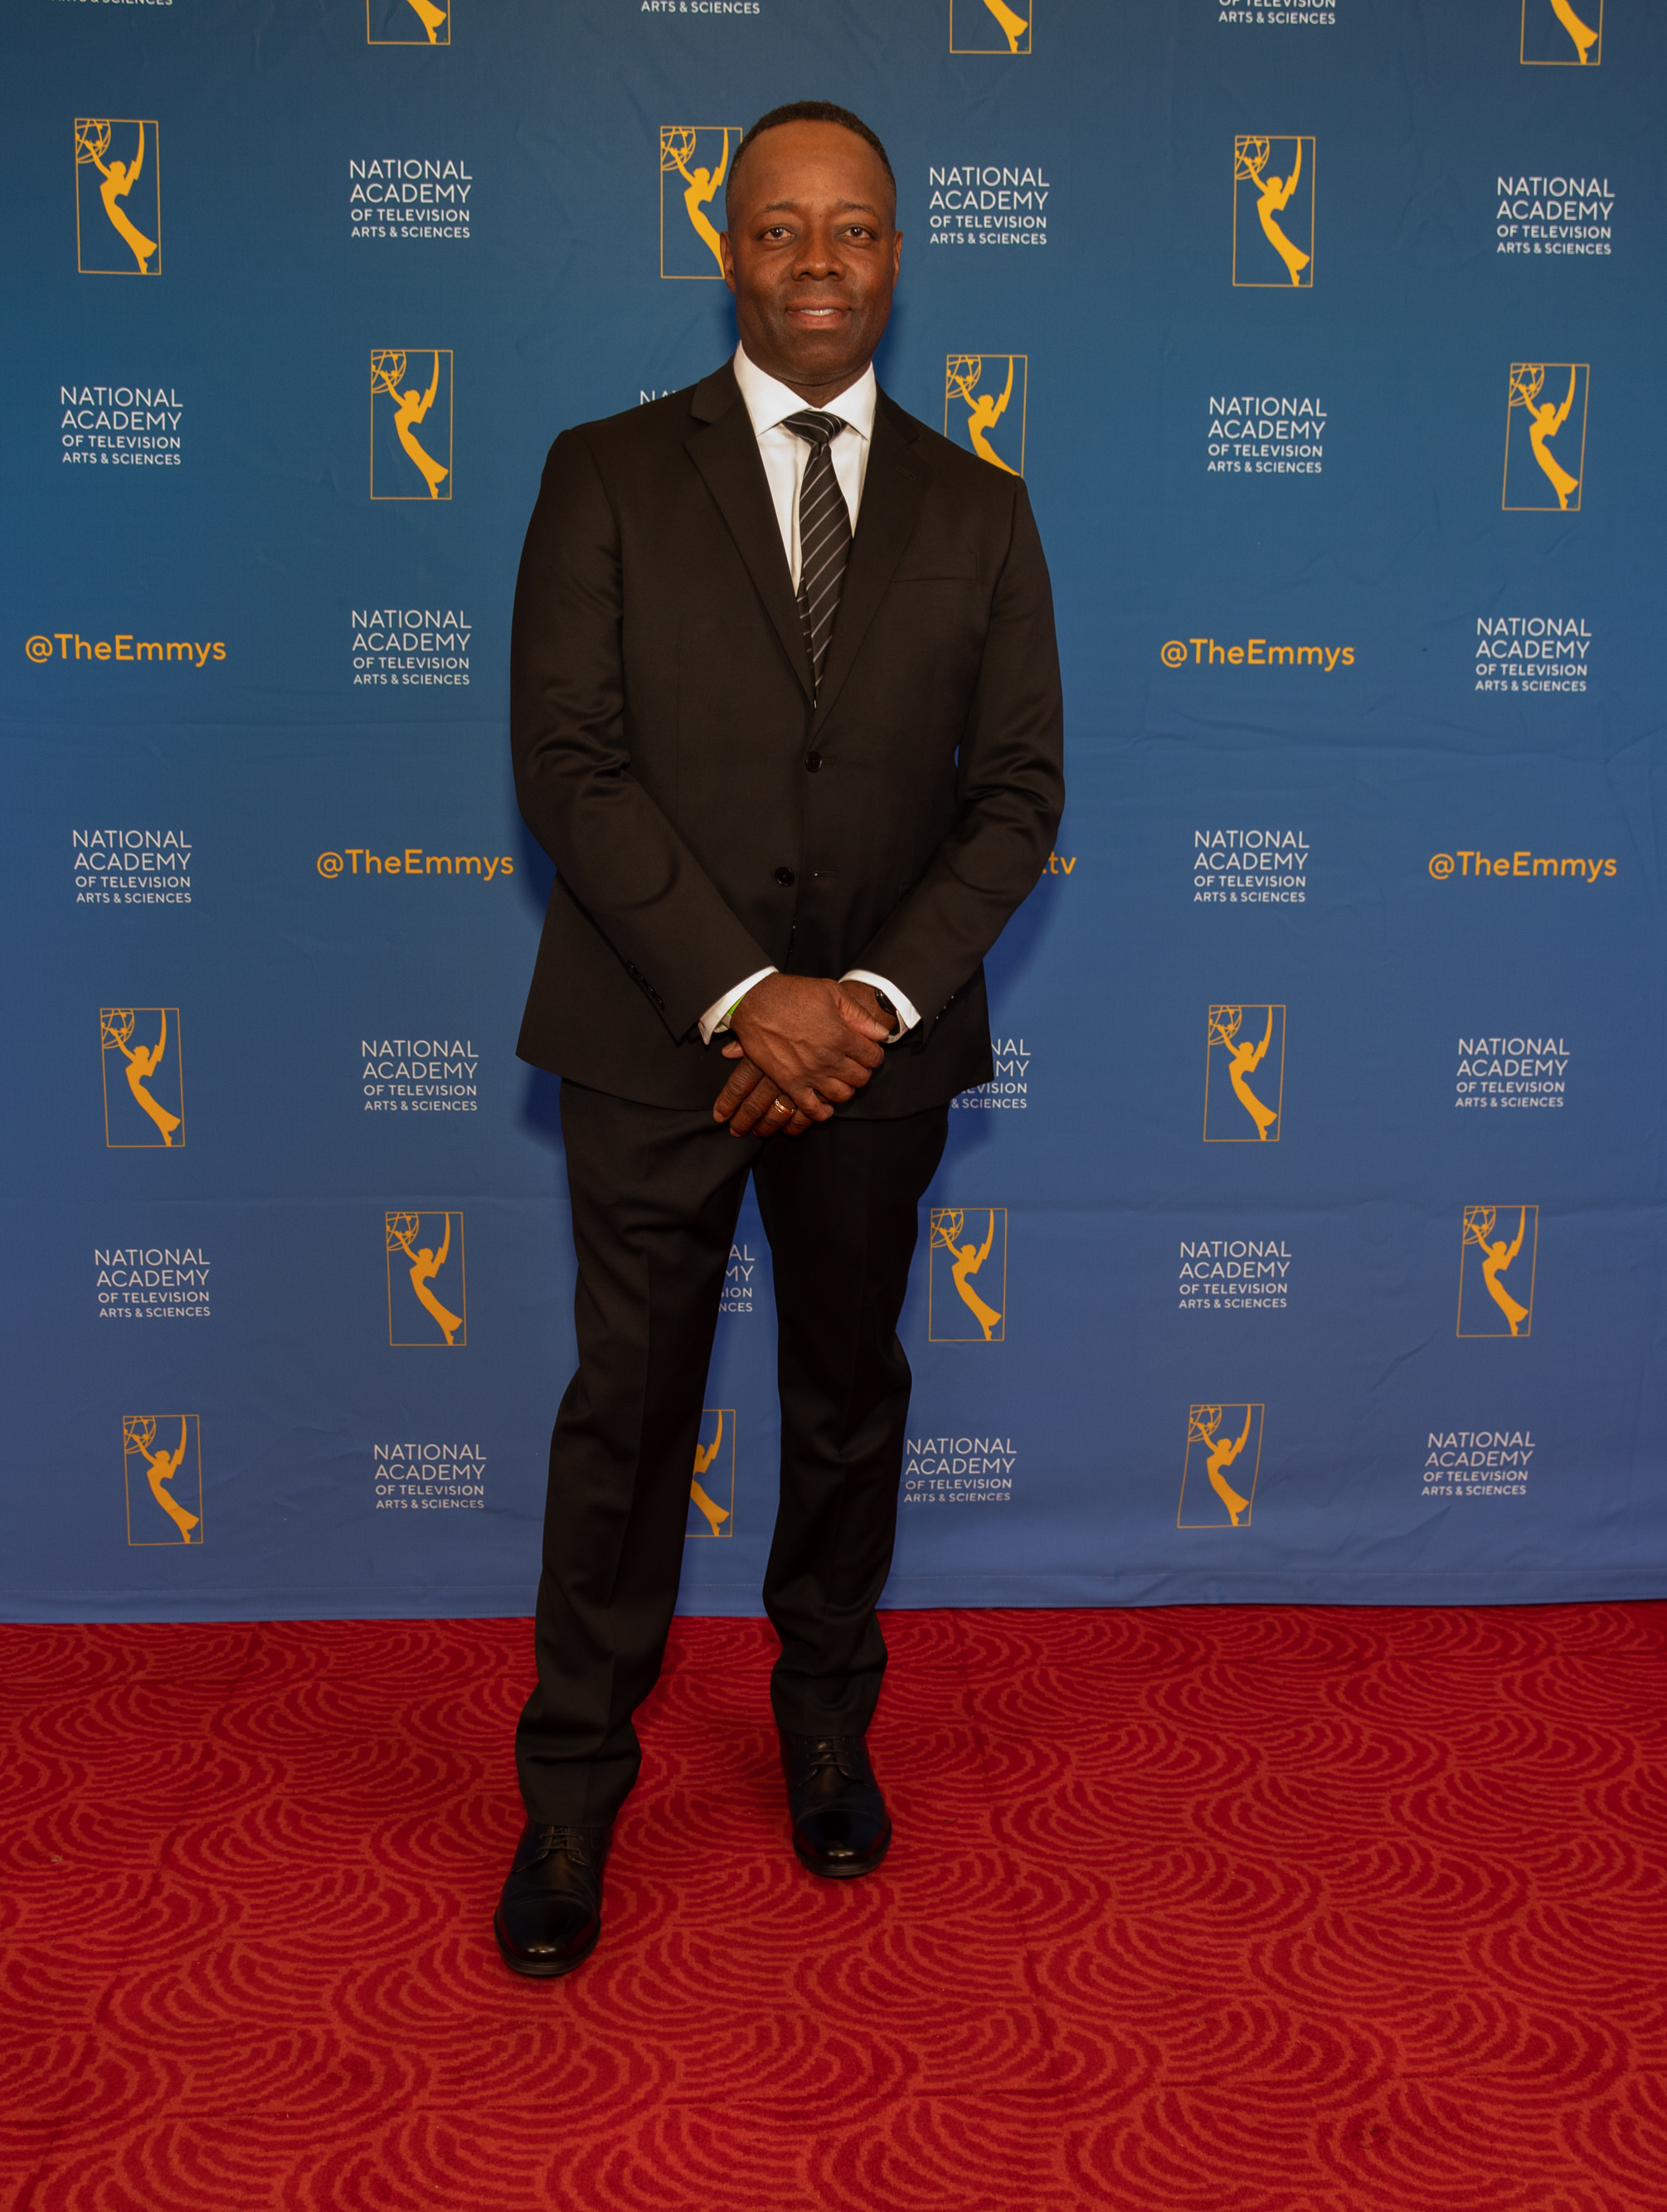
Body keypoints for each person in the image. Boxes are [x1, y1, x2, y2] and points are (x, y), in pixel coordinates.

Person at [495, 99, 1065, 1979]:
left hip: (877, 1062)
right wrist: (752, 998)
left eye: (854, 228)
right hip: (657, 1038)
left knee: (843, 1403)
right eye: (779, 227)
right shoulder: (601, 474)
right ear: (725, 247)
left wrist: (866, 1006)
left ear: (896, 255)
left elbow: (1017, 797)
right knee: (628, 1418)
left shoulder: (980, 509)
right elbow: (567, 765)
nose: (818, 261)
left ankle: (826, 1724)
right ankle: (569, 1792)